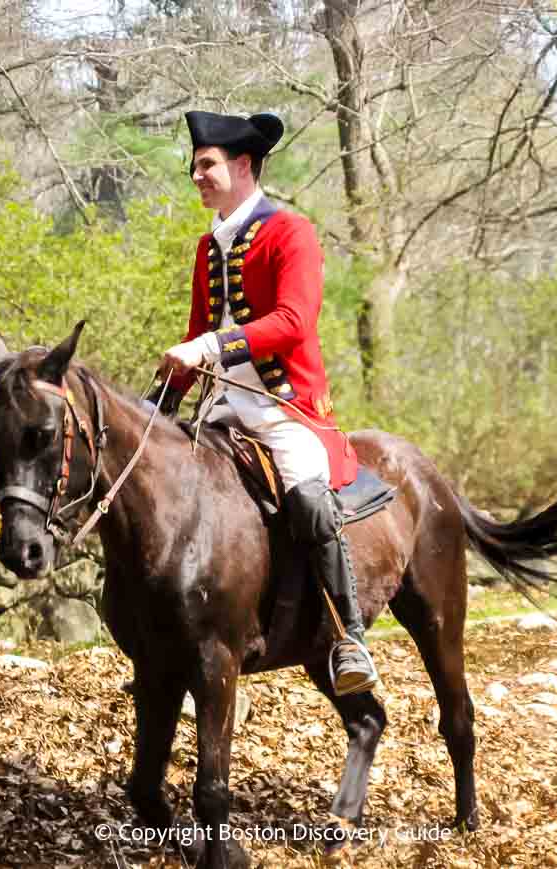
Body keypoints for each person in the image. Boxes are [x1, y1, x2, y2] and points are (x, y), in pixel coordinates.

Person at [153, 109, 378, 696]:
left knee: (305, 491)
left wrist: (209, 345)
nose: (196, 175)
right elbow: (197, 327)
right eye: (195, 166)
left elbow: (293, 321)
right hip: (222, 407)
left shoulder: (290, 232)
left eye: (206, 165)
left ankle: (347, 636)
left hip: (286, 407)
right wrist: (159, 404)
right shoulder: (208, 247)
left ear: (244, 165)